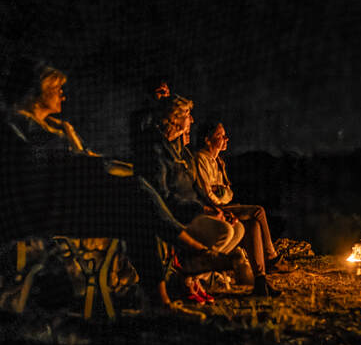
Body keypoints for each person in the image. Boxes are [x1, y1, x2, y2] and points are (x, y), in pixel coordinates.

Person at [0, 58, 230, 307]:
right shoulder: (16, 127)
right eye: (56, 89)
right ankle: (193, 251)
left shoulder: (53, 127)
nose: (63, 95)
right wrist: (89, 162)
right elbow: (45, 170)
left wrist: (90, 160)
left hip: (67, 204)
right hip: (46, 211)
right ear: (35, 92)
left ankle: (162, 301)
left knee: (137, 215)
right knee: (136, 190)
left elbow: (75, 161)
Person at [136, 97, 280, 297]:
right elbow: (164, 197)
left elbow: (201, 190)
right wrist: (206, 209)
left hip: (195, 209)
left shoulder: (181, 153)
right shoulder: (158, 151)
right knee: (227, 230)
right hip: (179, 216)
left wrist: (218, 210)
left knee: (237, 228)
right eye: (187, 115)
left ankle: (248, 279)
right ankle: (191, 270)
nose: (192, 120)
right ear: (175, 119)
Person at [194, 121, 294, 286]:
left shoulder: (218, 162)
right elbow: (207, 193)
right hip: (214, 209)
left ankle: (260, 278)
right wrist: (221, 197)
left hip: (222, 204)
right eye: (220, 135)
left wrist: (222, 193)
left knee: (254, 224)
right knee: (258, 211)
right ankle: (271, 257)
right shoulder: (201, 159)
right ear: (207, 139)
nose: (226, 139)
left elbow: (228, 193)